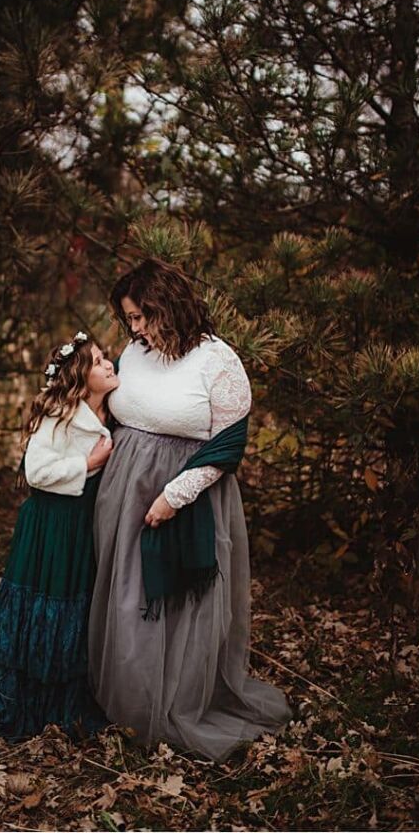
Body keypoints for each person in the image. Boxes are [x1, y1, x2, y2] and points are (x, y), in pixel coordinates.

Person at [87, 259, 290, 760]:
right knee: (127, 597)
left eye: (140, 317)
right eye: (128, 319)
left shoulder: (217, 361)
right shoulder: (135, 353)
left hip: (186, 495)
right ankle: (125, 704)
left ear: (167, 308)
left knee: (173, 604)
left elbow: (229, 444)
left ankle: (169, 707)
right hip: (124, 489)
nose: (133, 329)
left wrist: (175, 496)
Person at [0, 331, 118, 740]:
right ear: (78, 375)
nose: (109, 364)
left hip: (80, 524)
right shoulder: (59, 412)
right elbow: (36, 471)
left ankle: (69, 696)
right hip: (51, 524)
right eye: (97, 361)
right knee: (48, 597)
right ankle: (32, 697)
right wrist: (87, 462)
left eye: (107, 357)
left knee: (76, 599)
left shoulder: (111, 412)